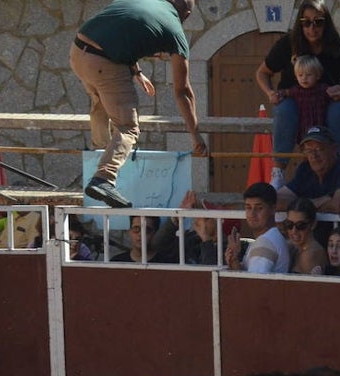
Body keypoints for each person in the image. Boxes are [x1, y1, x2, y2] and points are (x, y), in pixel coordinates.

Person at [71, 0, 206, 209]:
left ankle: (99, 150)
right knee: (128, 127)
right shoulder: (175, 31)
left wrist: (137, 72)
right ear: (186, 13)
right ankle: (103, 178)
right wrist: (195, 135)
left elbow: (118, 31)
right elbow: (183, 91)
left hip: (78, 52)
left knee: (102, 103)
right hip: (105, 63)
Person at [255, 0, 340, 188]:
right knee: (283, 110)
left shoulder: (337, 46)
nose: (312, 28)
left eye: (318, 22)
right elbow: (262, 73)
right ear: (300, 23)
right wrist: (271, 93)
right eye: (306, 22)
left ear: (326, 23)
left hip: (329, 101)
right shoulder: (287, 44)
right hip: (294, 100)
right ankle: (279, 171)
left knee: (339, 111)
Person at [275, 125, 340, 213]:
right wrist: (316, 202)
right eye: (309, 150)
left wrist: (298, 206)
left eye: (319, 149)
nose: (314, 156)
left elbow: (337, 206)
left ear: (334, 148)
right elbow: (276, 202)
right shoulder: (305, 168)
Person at [225, 182, 291, 273]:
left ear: (272, 209)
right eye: (248, 208)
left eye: (259, 208)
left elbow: (253, 285)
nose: (252, 214)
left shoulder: (265, 243)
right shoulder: (270, 238)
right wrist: (235, 261)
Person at [148, 190, 219, 265]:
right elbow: (157, 244)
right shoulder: (191, 239)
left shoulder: (226, 246)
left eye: (206, 218)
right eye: (198, 215)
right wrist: (176, 218)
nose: (199, 220)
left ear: (218, 222)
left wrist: (206, 241)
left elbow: (210, 272)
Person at [278, 54, 331, 145]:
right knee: (305, 147)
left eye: (309, 75)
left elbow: (334, 97)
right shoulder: (296, 90)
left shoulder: (323, 89)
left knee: (320, 147)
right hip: (304, 127)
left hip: (320, 125)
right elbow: (284, 92)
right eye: (300, 75)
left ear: (317, 75)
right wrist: (276, 95)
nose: (304, 78)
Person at [284, 197, 327, 275]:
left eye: (300, 225)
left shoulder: (309, 255)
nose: (294, 231)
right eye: (289, 224)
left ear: (313, 224)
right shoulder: (299, 247)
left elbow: (309, 287)